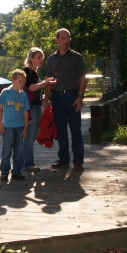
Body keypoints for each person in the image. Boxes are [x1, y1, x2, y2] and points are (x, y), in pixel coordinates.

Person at [43, 28, 87, 170]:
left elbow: (82, 78)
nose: (66, 41)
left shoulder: (76, 57)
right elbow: (48, 80)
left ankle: (78, 160)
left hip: (72, 97)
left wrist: (80, 97)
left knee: (75, 129)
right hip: (56, 97)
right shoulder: (51, 59)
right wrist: (46, 99)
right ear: (57, 40)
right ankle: (63, 159)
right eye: (63, 38)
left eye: (68, 38)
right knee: (61, 130)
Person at [22, 47, 57, 172]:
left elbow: (38, 87)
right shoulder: (26, 72)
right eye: (38, 57)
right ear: (31, 58)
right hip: (30, 107)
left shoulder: (36, 73)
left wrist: (46, 83)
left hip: (36, 106)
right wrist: (46, 82)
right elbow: (31, 88)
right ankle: (28, 163)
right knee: (29, 136)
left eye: (42, 57)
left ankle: (22, 161)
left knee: (34, 134)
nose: (41, 59)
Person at [0, 69, 30, 181]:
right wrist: (1, 124)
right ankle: (4, 172)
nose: (22, 84)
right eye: (20, 81)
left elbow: (25, 112)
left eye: (24, 82)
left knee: (18, 150)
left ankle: (16, 171)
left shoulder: (24, 95)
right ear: (13, 80)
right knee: (7, 150)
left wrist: (25, 127)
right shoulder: (5, 92)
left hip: (20, 126)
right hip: (8, 126)